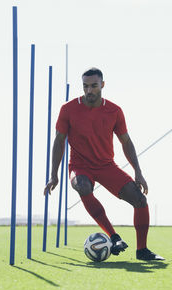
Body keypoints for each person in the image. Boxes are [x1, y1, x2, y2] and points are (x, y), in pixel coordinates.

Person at [44, 67, 164, 261]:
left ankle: (142, 251)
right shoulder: (68, 109)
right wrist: (53, 174)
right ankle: (114, 236)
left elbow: (126, 142)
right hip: (80, 166)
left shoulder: (114, 111)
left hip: (107, 166)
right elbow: (59, 141)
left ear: (102, 85)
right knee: (82, 186)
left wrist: (138, 172)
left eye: (93, 86)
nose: (89, 90)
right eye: (85, 86)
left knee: (140, 200)